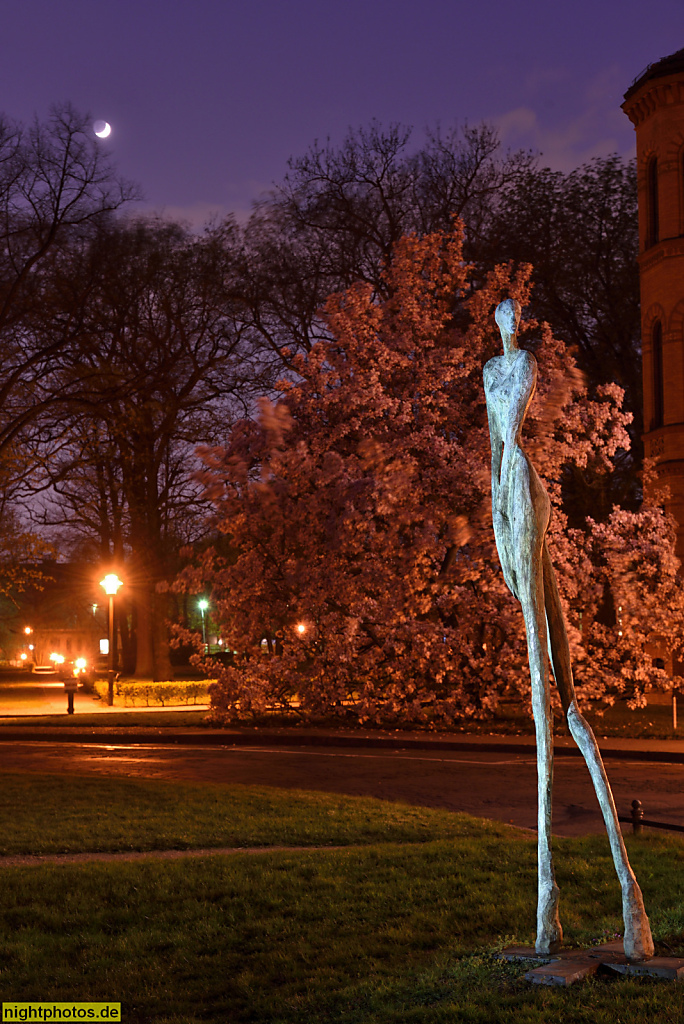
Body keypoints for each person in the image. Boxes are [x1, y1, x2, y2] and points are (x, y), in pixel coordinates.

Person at [483, 298, 653, 960]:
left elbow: (510, 437)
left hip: (520, 488)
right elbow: (490, 443)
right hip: (504, 491)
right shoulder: (490, 373)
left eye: (512, 313)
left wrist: (506, 502)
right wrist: (495, 513)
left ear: (517, 320)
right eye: (502, 314)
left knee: (548, 697)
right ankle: (587, 897)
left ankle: (568, 897)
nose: (507, 319)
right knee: (561, 702)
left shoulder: (518, 364)